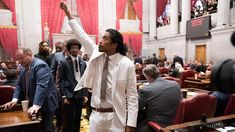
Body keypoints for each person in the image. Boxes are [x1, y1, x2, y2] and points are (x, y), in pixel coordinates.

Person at [60, 2, 138, 132]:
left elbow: (132, 96)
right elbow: (82, 35)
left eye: (105, 39)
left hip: (116, 117)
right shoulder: (97, 52)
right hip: (96, 115)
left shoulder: (126, 64)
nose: (100, 41)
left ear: (114, 45)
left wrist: (131, 124)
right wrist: (68, 13)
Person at [2, 48, 58, 132]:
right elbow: (19, 85)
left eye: (21, 58)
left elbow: (41, 86)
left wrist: (36, 105)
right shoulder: (22, 67)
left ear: (30, 55)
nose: (19, 61)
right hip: (32, 103)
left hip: (46, 102)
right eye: (17, 59)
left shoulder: (40, 65)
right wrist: (14, 99)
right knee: (34, 127)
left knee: (47, 128)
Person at [137, 64, 182, 132]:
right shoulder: (175, 84)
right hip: (176, 123)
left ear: (147, 76)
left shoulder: (146, 89)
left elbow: (139, 106)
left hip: (158, 125)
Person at [59, 38, 87, 132]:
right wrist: (64, 96)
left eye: (76, 48)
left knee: (78, 116)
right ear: (69, 49)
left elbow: (85, 79)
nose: (75, 50)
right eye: (72, 48)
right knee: (70, 117)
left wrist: (85, 94)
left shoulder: (83, 63)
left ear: (79, 49)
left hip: (79, 94)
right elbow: (61, 80)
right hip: (69, 94)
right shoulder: (64, 62)